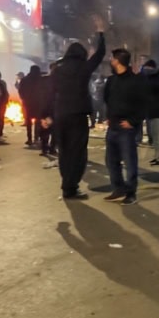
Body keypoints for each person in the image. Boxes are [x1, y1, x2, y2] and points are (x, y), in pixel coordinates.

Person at [49, 17, 106, 200]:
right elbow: (100, 54)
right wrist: (100, 33)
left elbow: (49, 92)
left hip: (60, 114)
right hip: (78, 115)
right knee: (78, 151)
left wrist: (46, 114)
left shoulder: (57, 69)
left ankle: (67, 185)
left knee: (64, 150)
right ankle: (71, 187)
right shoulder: (83, 68)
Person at [102, 48, 146, 205]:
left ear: (118, 61)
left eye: (112, 59)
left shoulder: (135, 81)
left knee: (129, 161)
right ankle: (118, 188)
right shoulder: (111, 81)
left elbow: (144, 104)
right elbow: (107, 98)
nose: (110, 61)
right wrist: (109, 116)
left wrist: (133, 121)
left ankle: (131, 192)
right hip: (112, 126)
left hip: (126, 129)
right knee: (110, 160)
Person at [141, 60, 159, 166]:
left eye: (145, 67)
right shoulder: (154, 77)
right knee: (156, 136)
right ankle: (157, 156)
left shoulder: (157, 78)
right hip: (155, 111)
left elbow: (151, 89)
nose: (144, 70)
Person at [18, 65, 45, 148]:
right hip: (38, 103)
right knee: (38, 121)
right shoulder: (41, 79)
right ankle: (36, 138)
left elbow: (20, 90)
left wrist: (24, 99)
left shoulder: (24, 79)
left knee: (28, 122)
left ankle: (29, 139)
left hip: (27, 103)